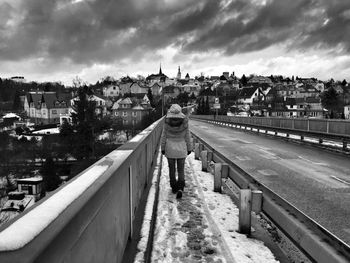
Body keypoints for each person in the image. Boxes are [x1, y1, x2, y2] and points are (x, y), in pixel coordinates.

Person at [161, 104, 192, 199]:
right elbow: (187, 136)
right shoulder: (184, 121)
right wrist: (189, 148)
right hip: (181, 148)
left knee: (172, 169)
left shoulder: (167, 121)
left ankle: (174, 187)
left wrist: (162, 148)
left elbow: (164, 136)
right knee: (181, 169)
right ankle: (180, 187)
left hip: (170, 148)